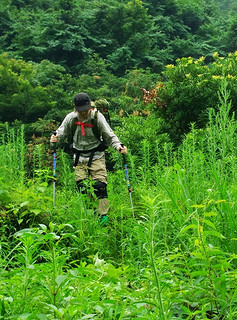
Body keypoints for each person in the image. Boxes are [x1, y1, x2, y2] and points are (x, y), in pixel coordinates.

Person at [50, 92, 127, 223]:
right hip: (79, 157)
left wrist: (119, 146)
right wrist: (54, 139)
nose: (83, 113)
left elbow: (109, 135)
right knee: (82, 187)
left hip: (96, 155)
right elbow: (60, 132)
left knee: (99, 186)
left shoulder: (97, 117)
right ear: (75, 109)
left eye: (86, 110)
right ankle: (91, 213)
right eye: (80, 111)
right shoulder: (71, 118)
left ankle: (103, 216)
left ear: (89, 106)